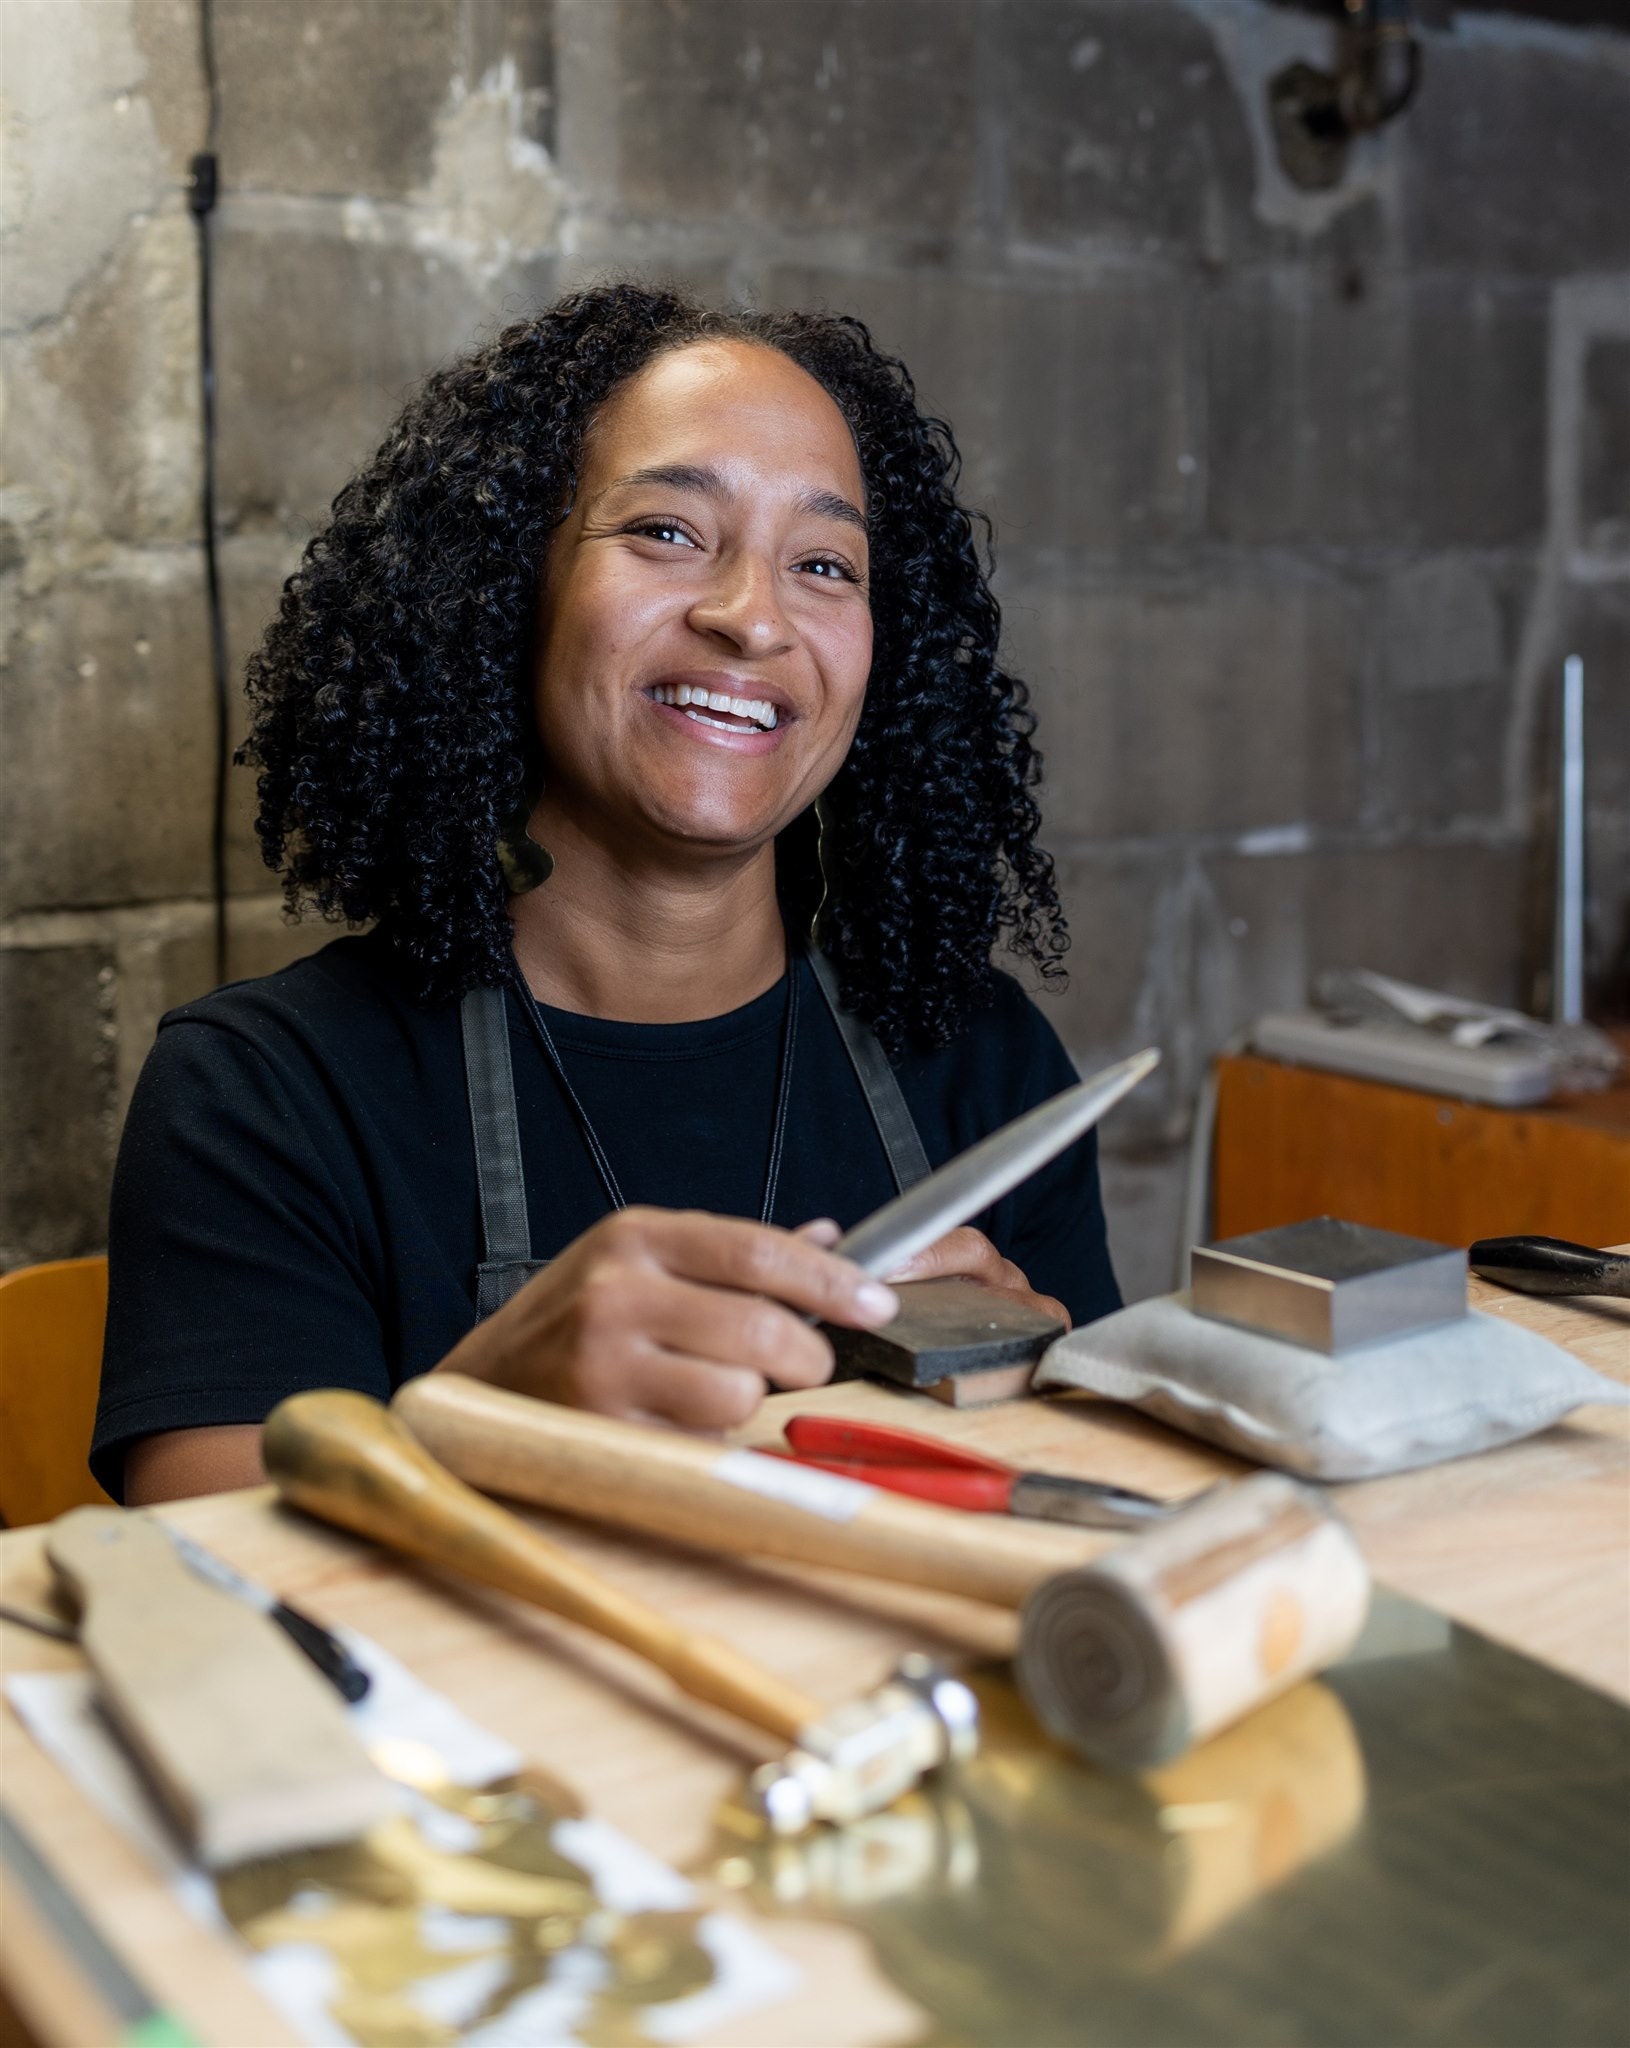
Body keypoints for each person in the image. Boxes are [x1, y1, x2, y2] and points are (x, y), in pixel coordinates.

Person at [92, 282, 1121, 1506]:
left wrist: (1033, 1414)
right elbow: (210, 1602)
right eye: (668, 531)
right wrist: (486, 1409)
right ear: (504, 586)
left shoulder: (980, 1063)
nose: (751, 616)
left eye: (825, 564)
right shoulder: (265, 1092)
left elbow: (1093, 1527)